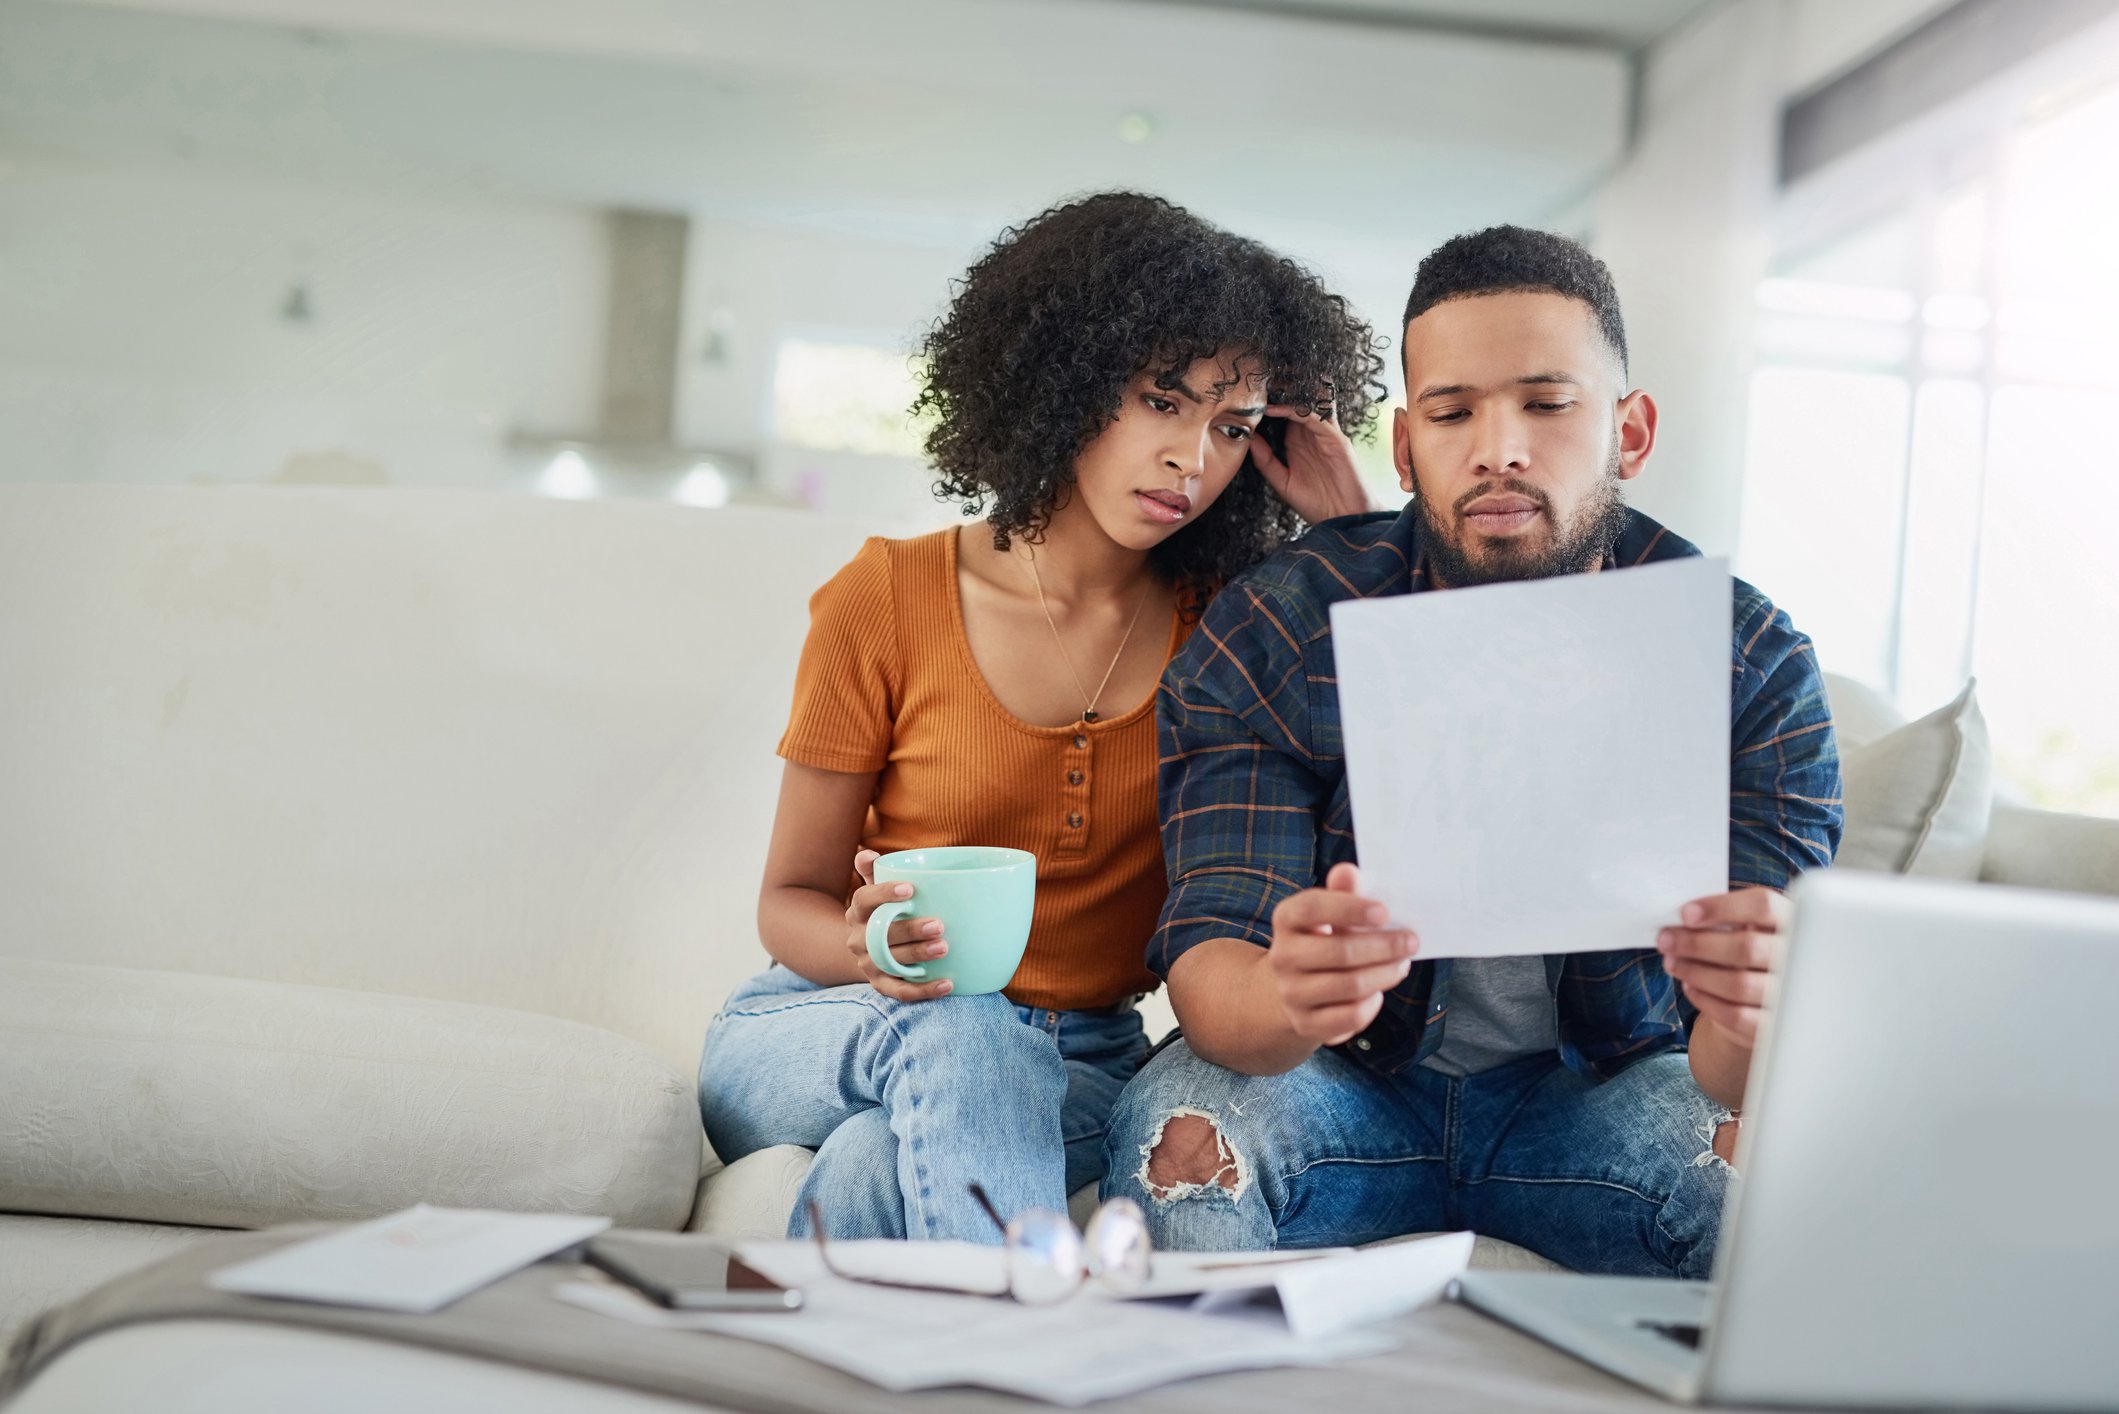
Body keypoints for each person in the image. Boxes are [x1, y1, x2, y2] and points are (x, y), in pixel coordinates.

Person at [1099, 225, 1842, 1278]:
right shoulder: (1280, 626)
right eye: (1453, 413)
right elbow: (1217, 978)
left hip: (1605, 1095)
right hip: (1341, 1084)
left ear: (1629, 432)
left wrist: (1751, 1001)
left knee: (1774, 1178)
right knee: (1179, 1129)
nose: (1499, 448)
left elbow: (1738, 1074)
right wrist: (1292, 994)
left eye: (1547, 404)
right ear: (1405, 449)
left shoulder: (1749, 663)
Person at [697, 192, 1386, 1243]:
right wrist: (870, 945)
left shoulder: (1232, 632)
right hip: (827, 1021)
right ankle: (1036, 1355)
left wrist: (1350, 532)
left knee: (872, 1162)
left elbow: (1412, 758)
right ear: (1065, 377)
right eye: (1162, 400)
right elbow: (788, 899)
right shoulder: (884, 598)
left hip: (1076, 1062)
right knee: (963, 1024)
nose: (1190, 458)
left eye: (1232, 426)